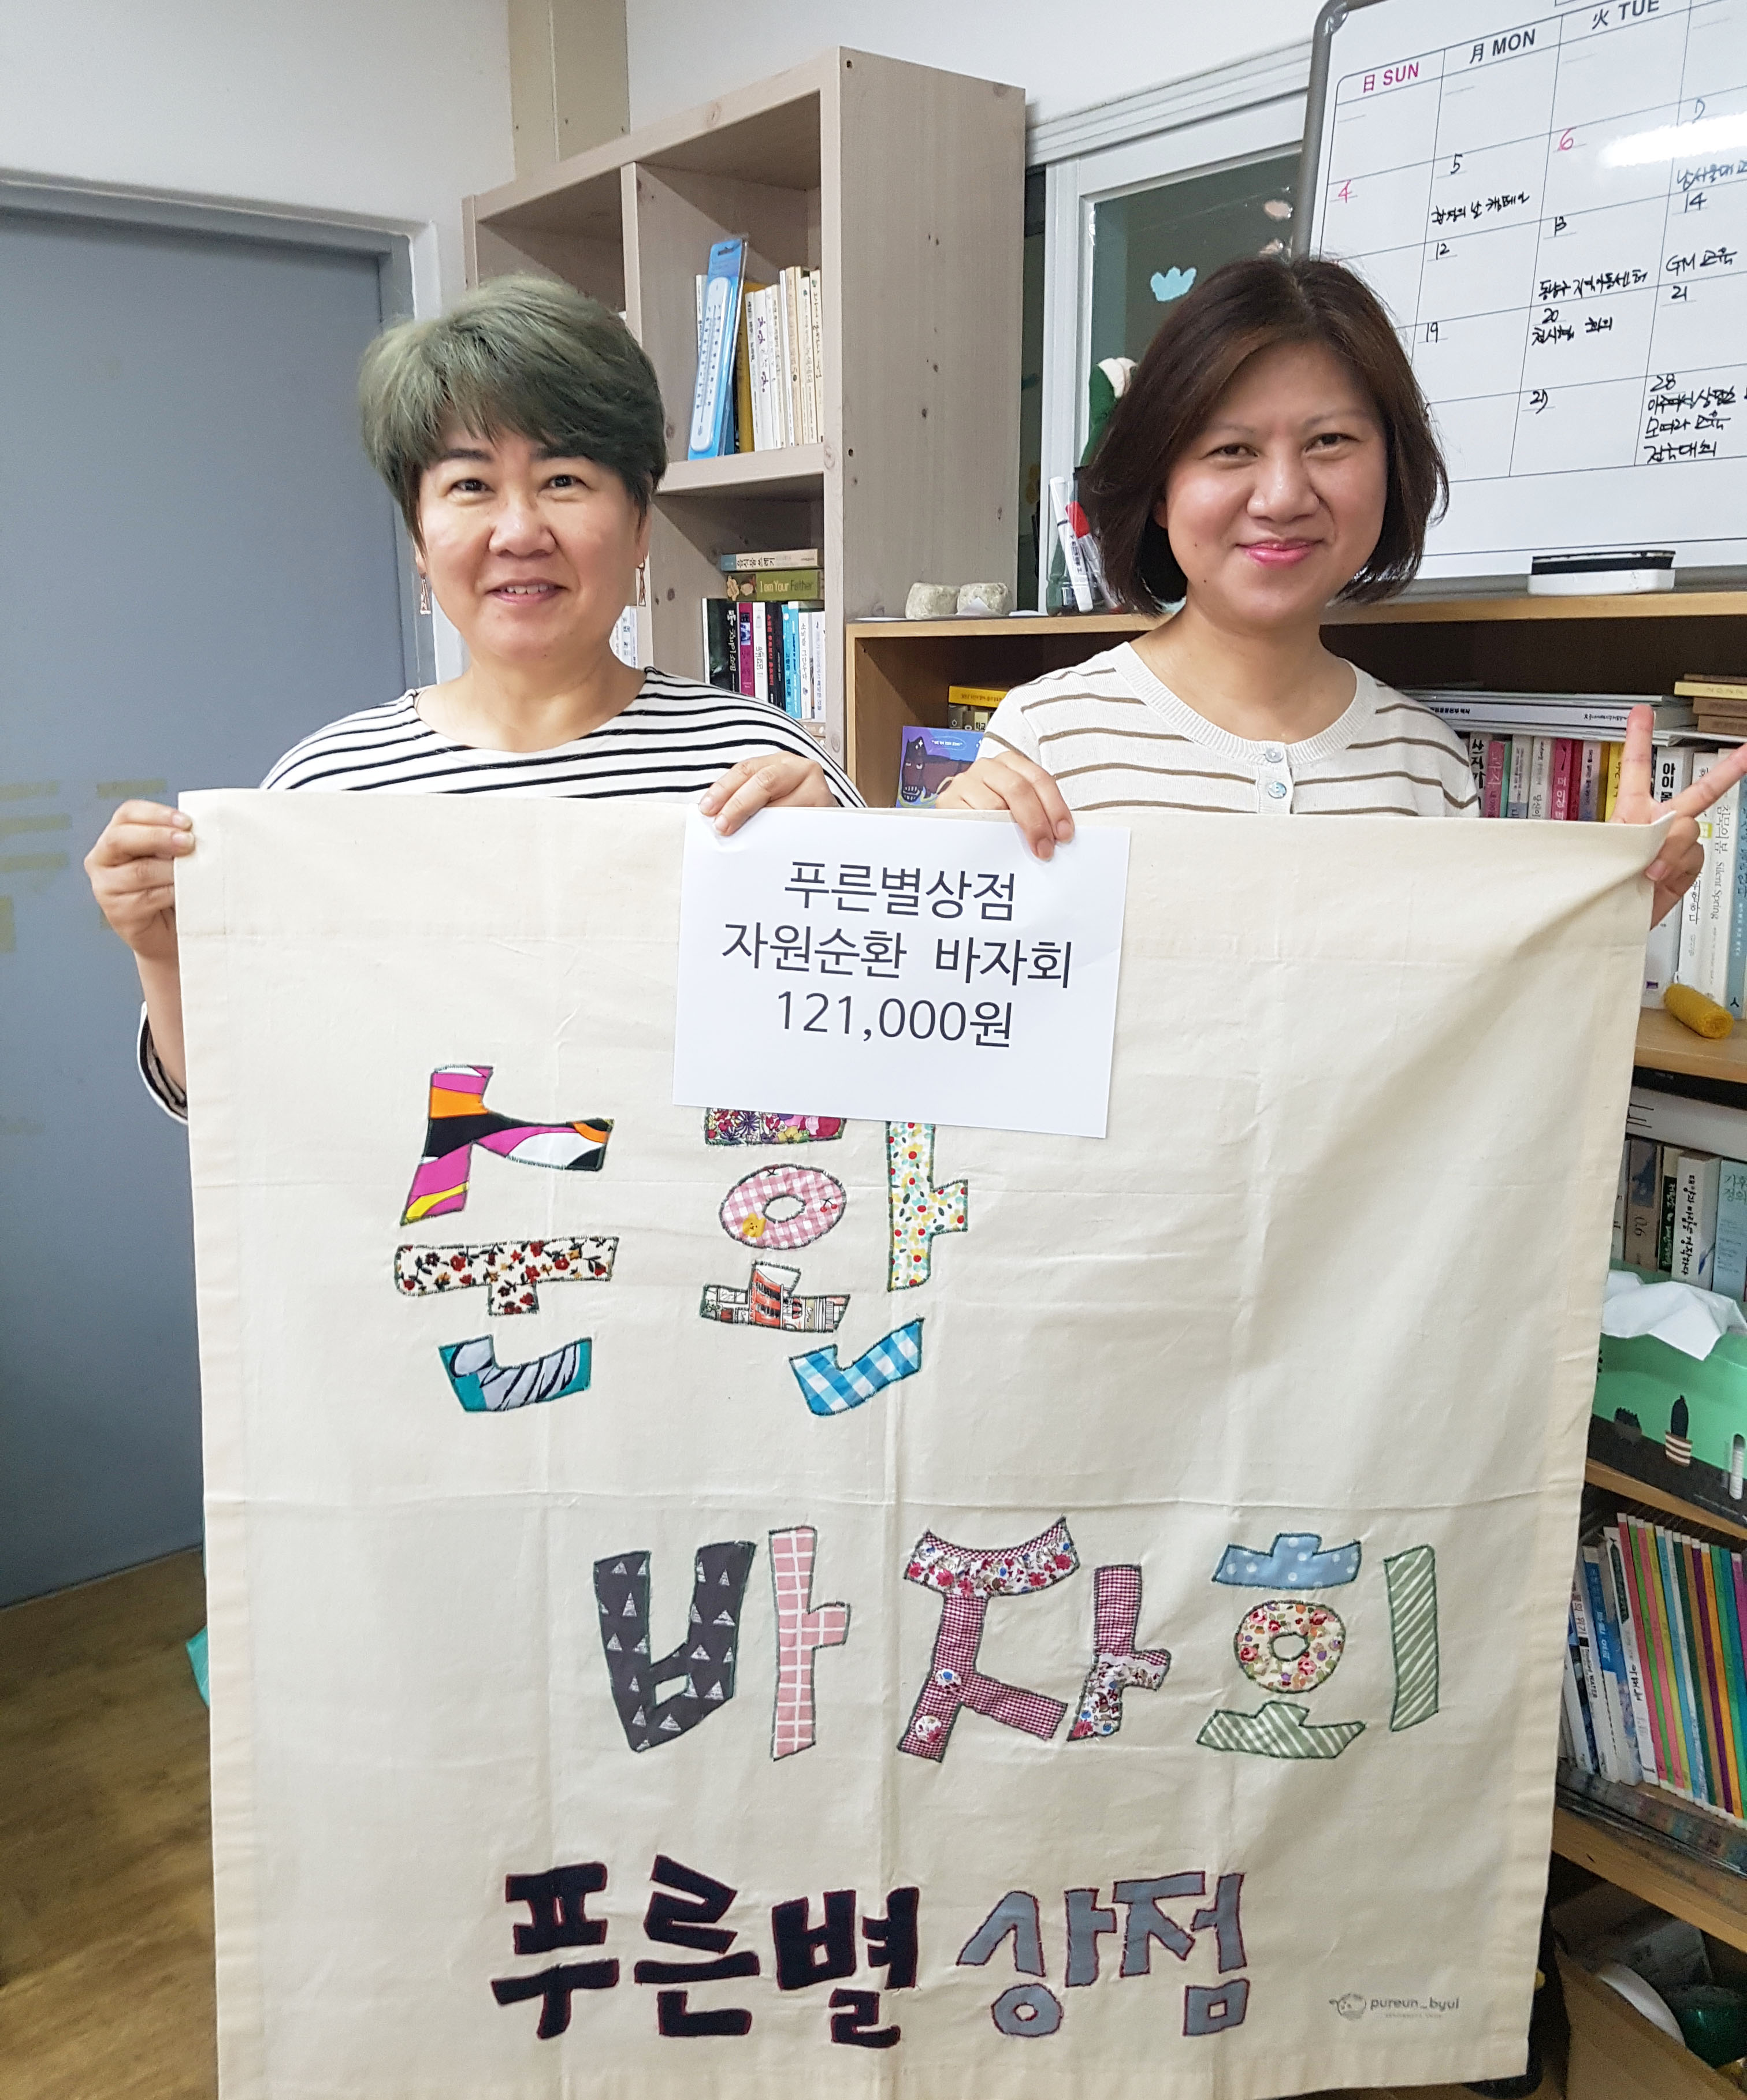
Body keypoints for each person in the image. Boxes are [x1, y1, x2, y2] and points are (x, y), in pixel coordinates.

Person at [86, 273, 860, 1118]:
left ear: (641, 525)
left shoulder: (769, 772)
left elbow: (878, 1074)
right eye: (470, 486)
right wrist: (165, 953)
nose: (519, 532)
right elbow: (250, 1118)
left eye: (564, 480)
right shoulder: (325, 790)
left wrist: (837, 878)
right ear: (419, 538)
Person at [939, 254, 1739, 922]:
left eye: (1329, 441)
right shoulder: (1047, 733)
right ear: (1159, 488)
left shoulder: (1428, 767)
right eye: (1231, 450)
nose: (1283, 496)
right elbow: (980, 1004)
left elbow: (1457, 1027)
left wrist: (1609, 915)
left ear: (1390, 471)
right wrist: (943, 857)